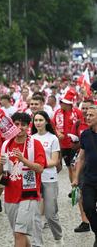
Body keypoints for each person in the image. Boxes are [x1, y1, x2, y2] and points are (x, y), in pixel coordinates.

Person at [0, 112, 47, 247]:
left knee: (19, 233)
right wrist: (1, 163)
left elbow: (40, 168)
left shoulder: (34, 144)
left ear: (28, 126)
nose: (20, 127)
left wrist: (24, 160)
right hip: (10, 195)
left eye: (23, 125)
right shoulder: (6, 145)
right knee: (18, 233)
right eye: (16, 124)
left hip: (28, 194)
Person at [31, 111, 63, 246]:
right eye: (36, 120)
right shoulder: (30, 138)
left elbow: (55, 161)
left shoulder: (53, 138)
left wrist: (39, 165)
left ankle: (58, 237)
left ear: (46, 122)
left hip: (49, 178)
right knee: (34, 214)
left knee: (50, 214)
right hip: (33, 178)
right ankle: (37, 243)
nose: (38, 123)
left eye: (40, 120)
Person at [72, 105, 97, 247]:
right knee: (88, 207)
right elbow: (81, 158)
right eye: (86, 115)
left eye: (91, 115)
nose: (87, 118)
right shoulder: (85, 135)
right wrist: (76, 177)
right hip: (89, 179)